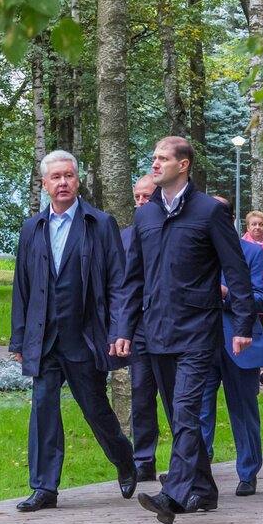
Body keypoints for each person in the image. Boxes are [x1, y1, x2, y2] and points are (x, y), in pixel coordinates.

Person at [114, 136, 255, 524]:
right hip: (155, 331)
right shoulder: (145, 215)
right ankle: (205, 490)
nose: (155, 164)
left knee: (188, 411)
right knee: (180, 418)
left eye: (163, 158)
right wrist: (125, 327)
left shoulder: (209, 212)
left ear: (184, 165)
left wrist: (243, 324)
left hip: (197, 329)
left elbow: (237, 271)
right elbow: (132, 278)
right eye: (153, 157)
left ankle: (173, 494)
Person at [8, 150, 136, 512]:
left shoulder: (100, 223)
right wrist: (19, 338)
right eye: (56, 177)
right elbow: (23, 287)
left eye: (69, 176)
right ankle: (44, 487)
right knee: (44, 408)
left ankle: (124, 458)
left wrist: (118, 330)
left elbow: (118, 283)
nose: (63, 182)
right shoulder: (32, 227)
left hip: (84, 336)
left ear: (78, 181)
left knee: (94, 407)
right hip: (44, 339)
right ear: (45, 184)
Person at [199, 220, 263, 496]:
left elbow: (262, 299)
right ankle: (193, 470)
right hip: (200, 342)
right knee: (197, 411)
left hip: (239, 344)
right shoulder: (196, 250)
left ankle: (248, 473)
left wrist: (227, 294)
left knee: (243, 412)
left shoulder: (251, 252)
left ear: (229, 221)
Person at [121, 173, 160, 483]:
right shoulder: (124, 237)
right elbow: (121, 287)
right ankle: (143, 459)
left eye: (146, 196)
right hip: (141, 329)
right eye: (137, 197)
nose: (141, 202)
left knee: (179, 398)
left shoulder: (170, 230)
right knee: (141, 394)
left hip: (173, 326)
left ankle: (189, 461)